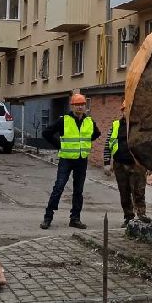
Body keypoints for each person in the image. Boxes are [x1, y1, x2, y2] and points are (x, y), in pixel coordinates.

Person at [40, 93, 100, 229]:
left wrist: (83, 144)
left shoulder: (89, 121)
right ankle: (48, 217)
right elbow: (46, 133)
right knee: (59, 187)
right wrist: (59, 145)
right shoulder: (64, 120)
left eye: (82, 104)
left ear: (86, 106)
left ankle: (75, 218)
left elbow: (96, 134)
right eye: (77, 104)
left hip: (81, 160)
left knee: (78, 190)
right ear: (72, 106)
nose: (80, 107)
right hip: (66, 159)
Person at [108, 101, 147, 225]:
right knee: (124, 193)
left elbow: (147, 146)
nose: (128, 112)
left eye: (130, 109)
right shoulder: (115, 125)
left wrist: (148, 165)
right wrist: (106, 163)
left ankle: (141, 216)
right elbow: (107, 145)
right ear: (122, 111)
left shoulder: (140, 126)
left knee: (139, 192)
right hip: (119, 164)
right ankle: (128, 217)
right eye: (125, 109)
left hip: (137, 164)